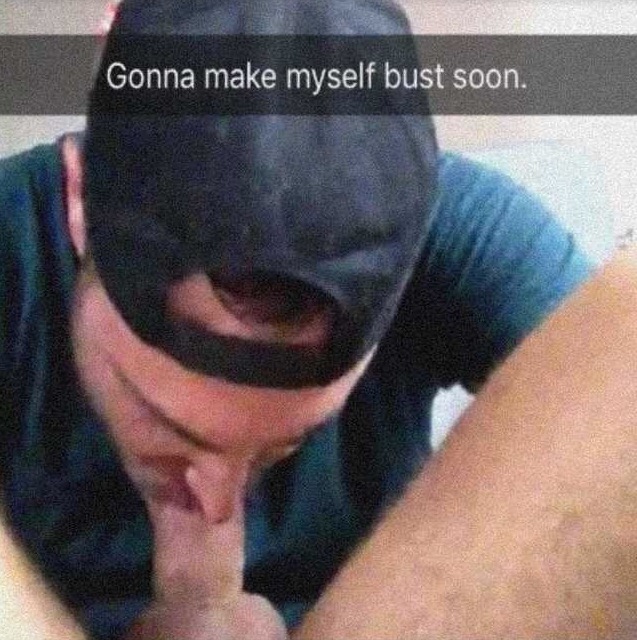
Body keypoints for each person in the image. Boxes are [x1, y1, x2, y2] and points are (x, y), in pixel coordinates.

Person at [1, 1, 635, 639]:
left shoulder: (461, 235)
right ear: (80, 197)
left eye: (287, 444)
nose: (220, 511)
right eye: (164, 422)